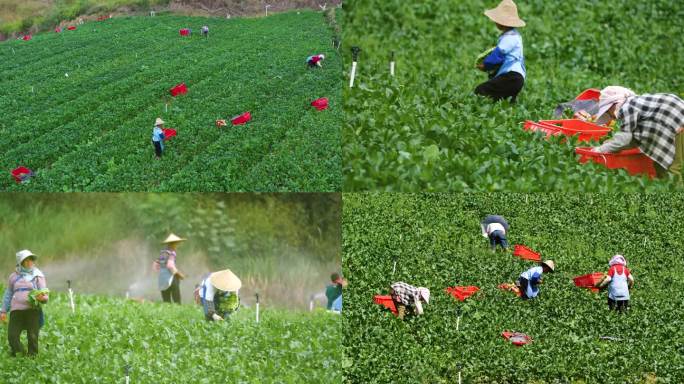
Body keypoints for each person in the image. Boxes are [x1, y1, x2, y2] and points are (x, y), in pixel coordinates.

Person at [588, 86, 684, 180]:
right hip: (673, 116)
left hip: (674, 118)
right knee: (660, 163)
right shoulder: (634, 103)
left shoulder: (627, 107)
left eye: (608, 112)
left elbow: (624, 139)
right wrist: (612, 145)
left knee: (672, 167)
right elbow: (635, 138)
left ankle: (675, 193)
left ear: (613, 105)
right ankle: (665, 187)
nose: (612, 117)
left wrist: (600, 149)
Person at [474, 0, 526, 103]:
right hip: (517, 78)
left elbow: (497, 56)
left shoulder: (509, 38)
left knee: (480, 90)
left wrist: (485, 65)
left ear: (502, 23)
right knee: (503, 100)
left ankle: (478, 109)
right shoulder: (515, 36)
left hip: (511, 77)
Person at [1, 250, 49, 357]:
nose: (29, 263)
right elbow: (8, 294)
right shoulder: (13, 277)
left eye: (30, 260)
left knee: (32, 336)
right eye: (26, 261)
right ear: (20, 262)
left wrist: (42, 298)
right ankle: (20, 355)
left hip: (32, 310)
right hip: (16, 311)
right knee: (12, 336)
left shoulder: (38, 275)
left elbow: (45, 293)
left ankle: (32, 357)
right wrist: (3, 310)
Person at [153, 233, 186, 304]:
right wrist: (179, 274)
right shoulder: (172, 253)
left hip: (162, 278)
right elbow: (170, 266)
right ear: (172, 244)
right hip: (170, 277)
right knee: (177, 299)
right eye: (176, 244)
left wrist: (162, 271)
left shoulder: (162, 253)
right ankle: (178, 311)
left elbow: (155, 265)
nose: (177, 246)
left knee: (166, 300)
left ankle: (167, 312)